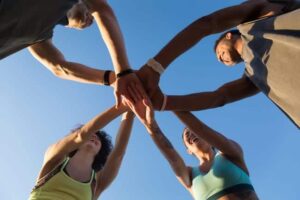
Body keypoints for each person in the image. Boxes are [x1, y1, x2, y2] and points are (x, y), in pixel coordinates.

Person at [136, 0, 300, 128]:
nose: (220, 58)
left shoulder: (250, 22)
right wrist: (164, 102)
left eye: (219, 51)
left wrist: (155, 67)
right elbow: (220, 97)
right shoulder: (253, 76)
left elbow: (209, 23)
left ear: (228, 35)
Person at [0, 0, 146, 107]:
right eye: (92, 15)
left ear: (71, 27)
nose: (93, 20)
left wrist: (113, 79)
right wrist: (124, 71)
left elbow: (60, 68)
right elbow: (101, 8)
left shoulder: (40, 36)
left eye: (92, 21)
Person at [131, 98, 258, 200]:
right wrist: (150, 125)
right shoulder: (190, 175)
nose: (191, 134)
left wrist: (165, 102)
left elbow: (202, 129)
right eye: (187, 135)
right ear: (188, 150)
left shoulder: (230, 154)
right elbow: (172, 157)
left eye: (193, 131)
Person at [29, 105, 134, 199]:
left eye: (98, 138)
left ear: (101, 149)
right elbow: (80, 136)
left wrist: (132, 107)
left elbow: (118, 153)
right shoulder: (55, 159)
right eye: (91, 135)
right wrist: (124, 104)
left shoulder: (97, 182)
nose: (94, 137)